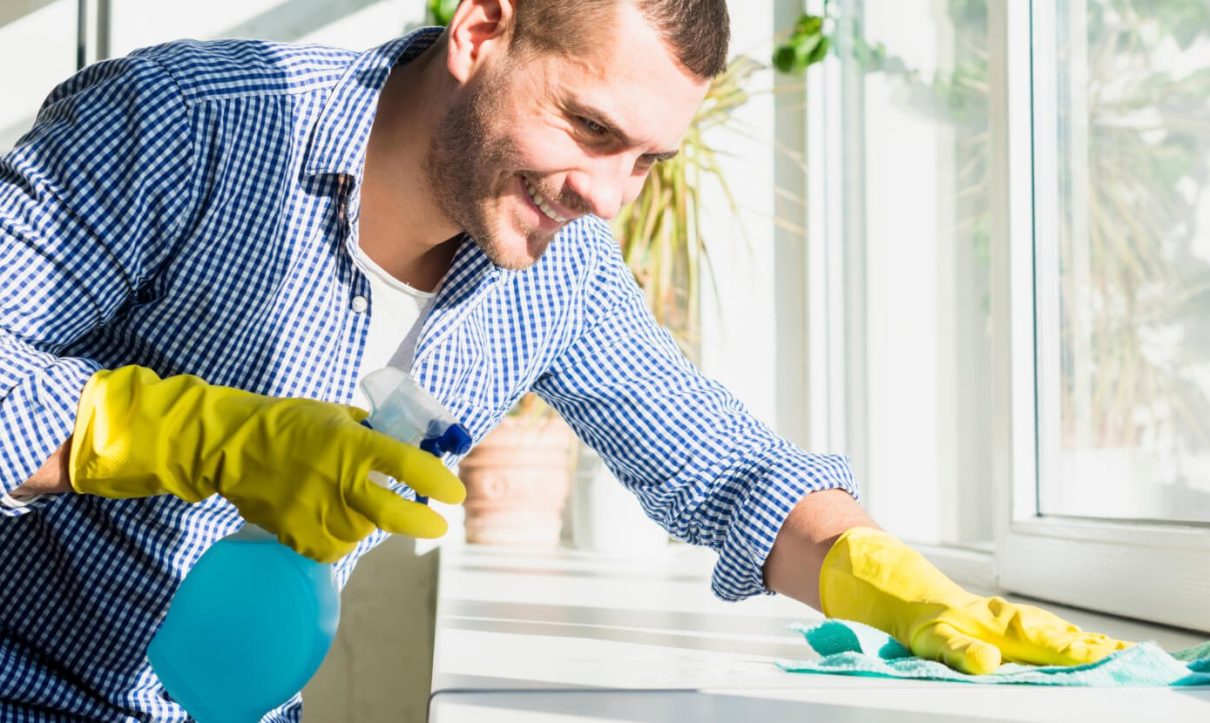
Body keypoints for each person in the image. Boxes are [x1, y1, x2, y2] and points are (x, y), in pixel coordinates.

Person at [0, 0, 1130, 719]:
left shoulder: (559, 270)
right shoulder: (188, 123)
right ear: (480, 30)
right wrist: (198, 438)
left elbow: (725, 468)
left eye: (646, 160)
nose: (608, 195)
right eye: (590, 129)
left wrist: (888, 578)